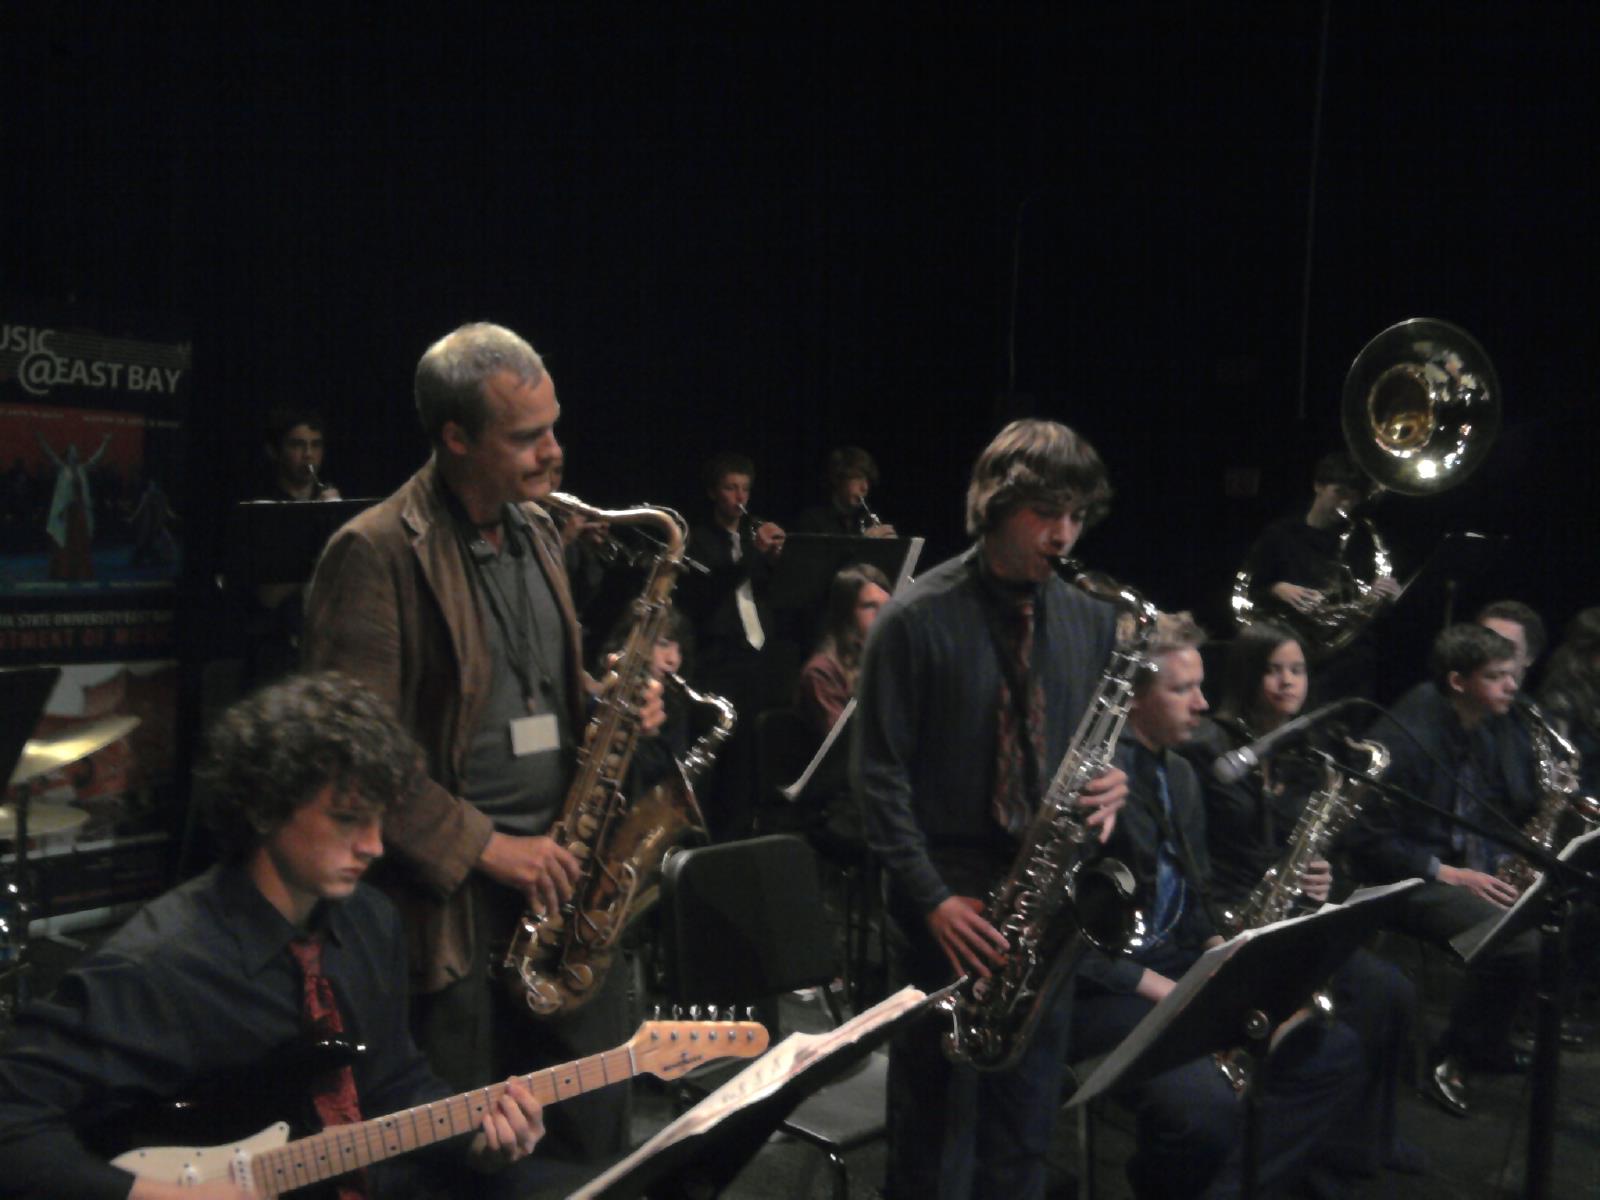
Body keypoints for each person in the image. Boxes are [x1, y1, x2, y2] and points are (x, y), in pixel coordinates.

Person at [301, 322, 664, 1170]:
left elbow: (535, 687)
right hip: (452, 908)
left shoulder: (537, 530)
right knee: (467, 1155)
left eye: (554, 427)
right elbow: (351, 757)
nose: (554, 453)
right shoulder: (373, 552)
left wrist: (607, 704)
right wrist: (493, 849)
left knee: (587, 1138)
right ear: (455, 438)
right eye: (527, 436)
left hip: (565, 886)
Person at [0, 672, 547, 1200]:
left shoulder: (371, 921)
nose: (375, 846)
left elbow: (393, 1084)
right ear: (265, 807)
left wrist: (480, 1143)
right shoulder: (159, 964)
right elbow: (11, 1124)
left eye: (380, 820)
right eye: (346, 818)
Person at [855, 418, 1128, 1200]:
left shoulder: (1089, 617)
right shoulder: (914, 619)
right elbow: (877, 780)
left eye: (1076, 515)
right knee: (931, 1127)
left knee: (1024, 1130)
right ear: (993, 504)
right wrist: (933, 898)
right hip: (944, 900)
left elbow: (1096, 742)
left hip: (1040, 904)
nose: (1065, 535)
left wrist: (1116, 782)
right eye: (1047, 514)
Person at [1071, 613, 1365, 1199]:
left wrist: (1223, 958)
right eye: (1181, 689)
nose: (1202, 704)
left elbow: (1197, 895)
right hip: (1105, 990)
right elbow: (1070, 939)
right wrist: (1164, 987)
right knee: (1203, 1113)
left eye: (1200, 685)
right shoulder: (1098, 783)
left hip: (1179, 968)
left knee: (1331, 1050)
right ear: (1132, 701)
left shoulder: (1180, 774)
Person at [1187, 621, 1425, 1179]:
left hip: (1291, 912)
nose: (1287, 682)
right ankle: (1292, 1156)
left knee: (1391, 993)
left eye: (1297, 670)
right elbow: (1198, 849)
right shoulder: (1210, 748)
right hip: (1231, 912)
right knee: (1343, 1015)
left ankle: (1358, 1142)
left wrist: (1324, 880)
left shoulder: (1308, 751)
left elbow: (1317, 847)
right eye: (1274, 669)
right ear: (1247, 674)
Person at [1348, 623, 1541, 1116]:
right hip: (1397, 874)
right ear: (1459, 681)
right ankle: (1450, 1057)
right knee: (1515, 941)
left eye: (1511, 673)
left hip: (1448, 856)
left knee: (1549, 907)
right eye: (1497, 676)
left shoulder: (1480, 720)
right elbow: (1364, 838)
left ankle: (1487, 1042)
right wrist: (1448, 872)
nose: (1511, 685)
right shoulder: (1408, 737)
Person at [1236, 451, 1399, 704]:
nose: (1346, 504)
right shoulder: (1281, 535)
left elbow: (1369, 603)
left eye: (1353, 497)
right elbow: (1248, 592)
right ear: (1318, 486)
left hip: (1350, 660)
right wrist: (1278, 588)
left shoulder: (1360, 540)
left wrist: (1384, 593)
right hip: (1299, 657)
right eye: (1339, 493)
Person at [681, 452, 786, 838]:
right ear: (713, 492)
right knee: (717, 765)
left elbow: (780, 596)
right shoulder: (697, 539)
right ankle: (708, 842)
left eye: (745, 488)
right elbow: (708, 591)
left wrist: (778, 561)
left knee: (751, 764)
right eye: (730, 488)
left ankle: (745, 838)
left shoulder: (752, 538)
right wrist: (753, 558)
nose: (740, 497)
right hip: (717, 662)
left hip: (758, 659)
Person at [795, 562, 892, 737]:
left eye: (886, 606)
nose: (882, 615)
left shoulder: (890, 658)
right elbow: (847, 744)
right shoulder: (821, 672)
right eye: (869, 606)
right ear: (846, 614)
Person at [36, 430, 112, 581]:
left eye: (75, 451)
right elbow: (49, 454)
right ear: (68, 454)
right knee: (64, 541)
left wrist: (106, 442)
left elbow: (97, 458)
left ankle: (78, 572)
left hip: (79, 513)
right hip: (67, 512)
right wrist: (41, 440)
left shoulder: (82, 469)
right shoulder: (63, 469)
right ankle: (63, 572)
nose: (74, 453)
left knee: (79, 543)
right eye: (71, 451)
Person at [793, 445, 897, 537]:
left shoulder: (869, 519)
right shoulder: (812, 521)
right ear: (837, 478)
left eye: (868, 480)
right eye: (857, 477)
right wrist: (865, 545)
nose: (865, 487)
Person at [263, 406, 340, 501]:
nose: (308, 454)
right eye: (297, 445)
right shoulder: (262, 501)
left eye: (316, 445)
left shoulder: (330, 496)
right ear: (273, 451)